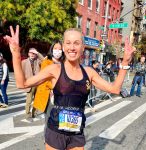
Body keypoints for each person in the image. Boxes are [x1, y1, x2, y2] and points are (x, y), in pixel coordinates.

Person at [4, 25, 135, 150]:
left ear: (83, 47)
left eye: (76, 43)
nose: (72, 47)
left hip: (76, 132)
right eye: (68, 43)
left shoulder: (89, 72)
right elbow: (22, 84)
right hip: (55, 131)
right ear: (63, 46)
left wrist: (124, 63)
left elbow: (115, 90)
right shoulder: (54, 69)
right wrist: (16, 54)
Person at [33, 40, 65, 134]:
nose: (58, 51)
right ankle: (48, 139)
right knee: (49, 117)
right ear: (52, 49)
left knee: (60, 118)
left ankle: (58, 138)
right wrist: (54, 87)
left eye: (60, 49)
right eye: (55, 48)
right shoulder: (46, 62)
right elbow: (45, 79)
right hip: (49, 95)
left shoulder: (64, 62)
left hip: (62, 95)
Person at [21, 48, 44, 121]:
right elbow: (21, 73)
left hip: (37, 83)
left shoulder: (38, 61)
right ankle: (28, 114)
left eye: (34, 53)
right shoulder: (24, 62)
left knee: (37, 100)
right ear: (28, 54)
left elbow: (44, 60)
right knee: (29, 100)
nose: (32, 54)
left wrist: (37, 52)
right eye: (31, 53)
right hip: (29, 84)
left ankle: (35, 113)